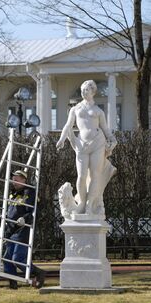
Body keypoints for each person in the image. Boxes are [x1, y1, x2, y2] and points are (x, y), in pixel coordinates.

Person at [56, 80, 117, 216]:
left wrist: (112, 140)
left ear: (93, 92)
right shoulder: (75, 109)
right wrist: (61, 139)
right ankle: (82, 202)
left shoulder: (98, 111)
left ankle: (89, 205)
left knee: (95, 175)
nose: (84, 92)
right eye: (82, 90)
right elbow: (68, 125)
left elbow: (106, 130)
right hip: (81, 144)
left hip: (98, 142)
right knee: (81, 176)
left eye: (86, 90)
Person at [3, 170, 46, 290]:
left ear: (24, 180)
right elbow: (10, 209)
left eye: (16, 180)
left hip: (23, 230)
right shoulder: (14, 194)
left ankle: (38, 272)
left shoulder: (30, 192)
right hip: (11, 229)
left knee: (18, 258)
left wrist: (24, 219)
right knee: (7, 259)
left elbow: (34, 211)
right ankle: (13, 284)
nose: (13, 182)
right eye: (13, 179)